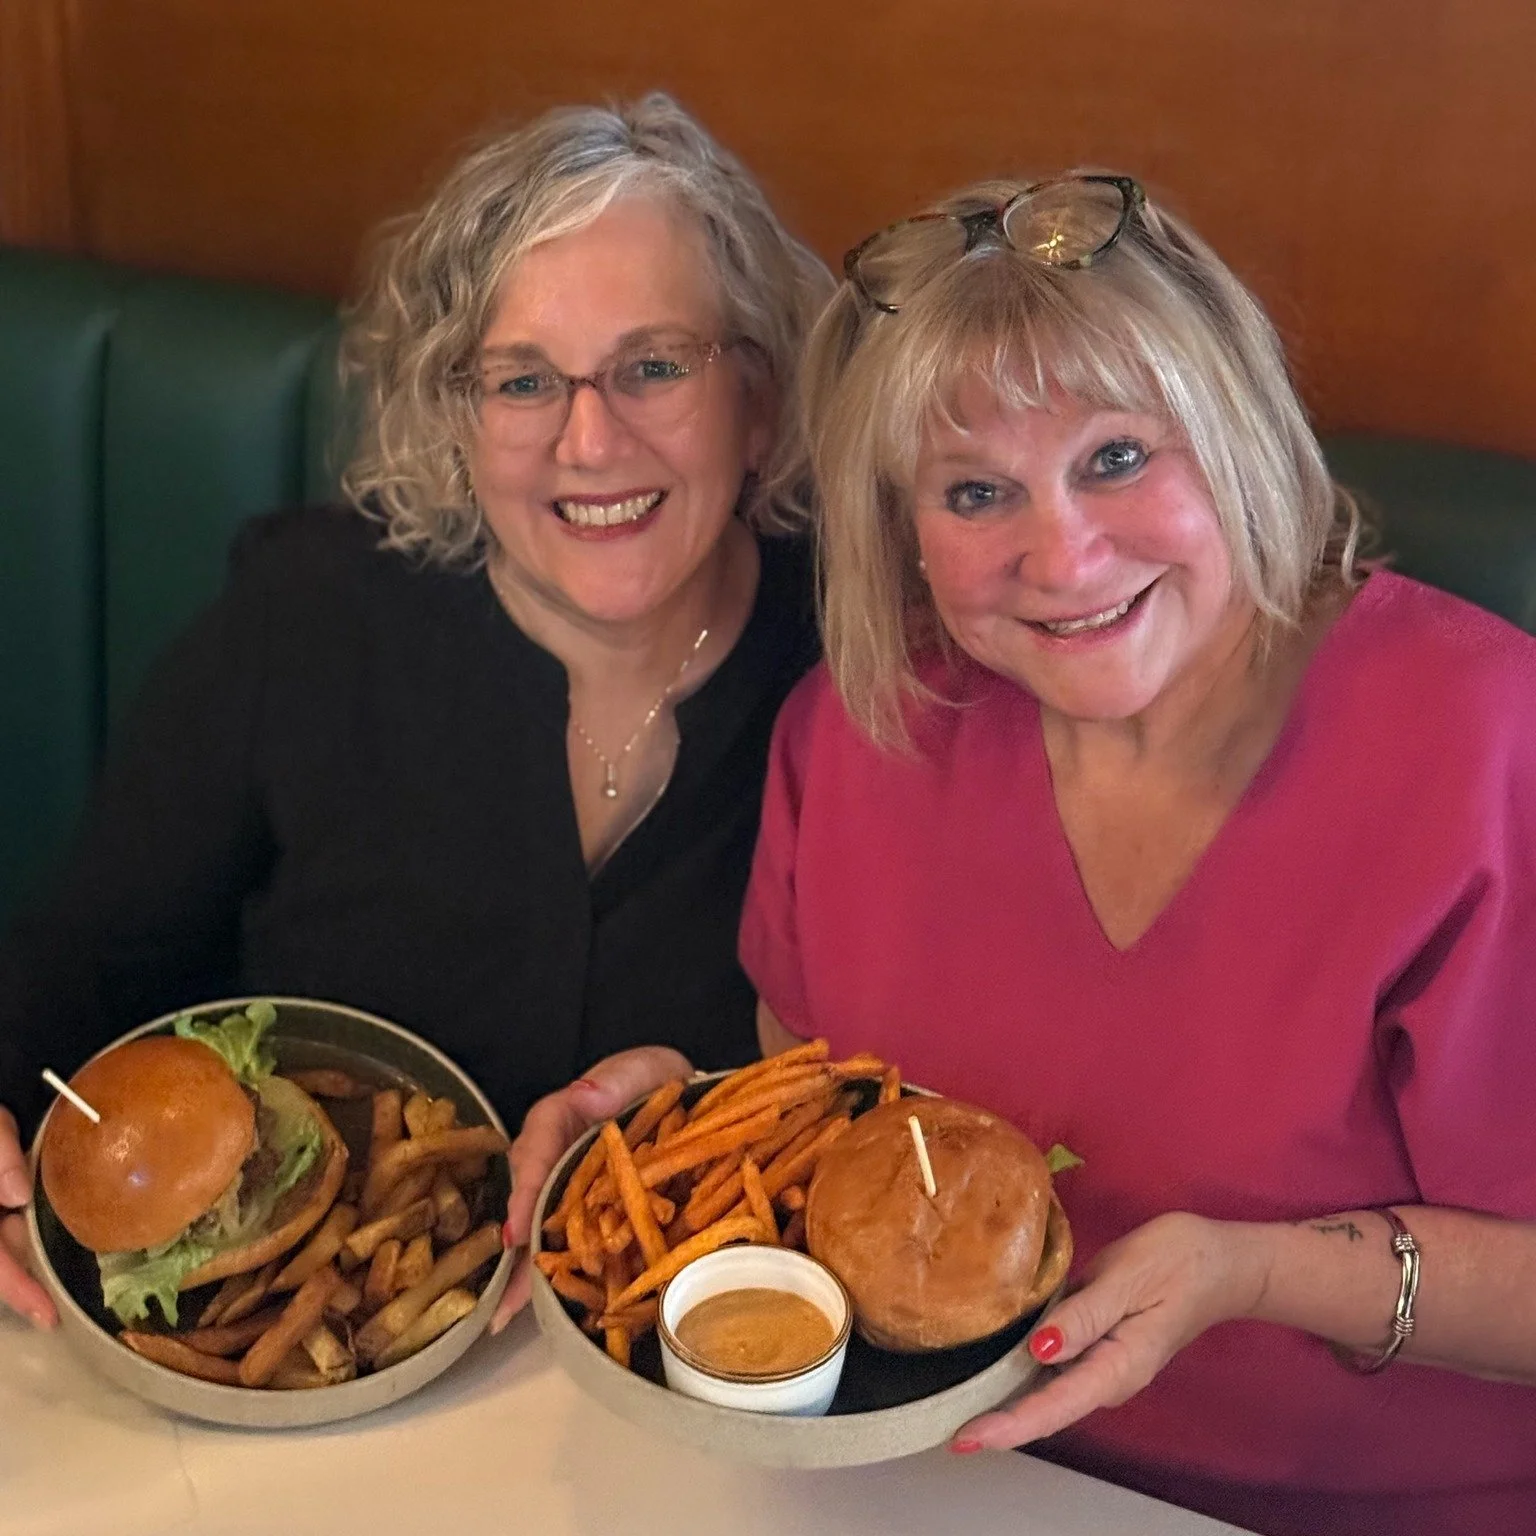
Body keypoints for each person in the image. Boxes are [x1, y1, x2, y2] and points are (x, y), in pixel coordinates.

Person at [737, 176, 1536, 1534]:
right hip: (932, 1490)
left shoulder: (1486, 746)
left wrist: (1257, 1274)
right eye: (976, 491)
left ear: (1234, 435)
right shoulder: (856, 738)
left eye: (1117, 458)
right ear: (903, 532)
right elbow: (803, 1119)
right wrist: (686, 1138)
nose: (1063, 554)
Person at [0, 94, 829, 1331]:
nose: (589, 438)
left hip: (698, 1393)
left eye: (655, 366)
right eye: (522, 381)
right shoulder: (308, 619)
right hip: (289, 1378)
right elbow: (72, 982)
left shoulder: (858, 661)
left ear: (757, 400)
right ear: (455, 420)